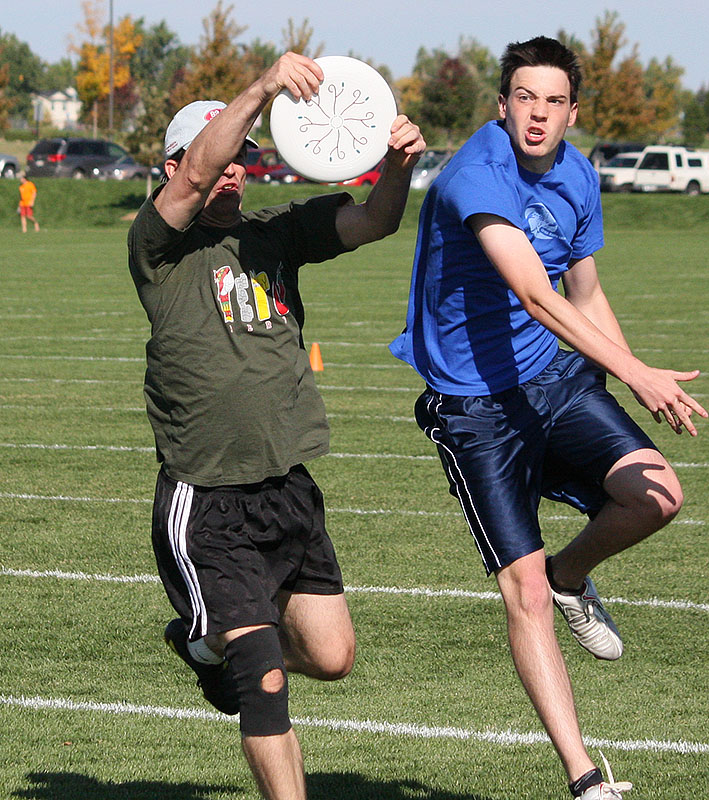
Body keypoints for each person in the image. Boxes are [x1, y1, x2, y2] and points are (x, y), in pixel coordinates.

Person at [390, 36, 708, 800]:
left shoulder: (578, 174)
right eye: (524, 98)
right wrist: (636, 371)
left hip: (555, 380)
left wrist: (634, 382)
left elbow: (585, 292)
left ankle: (575, 575)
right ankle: (586, 780)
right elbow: (535, 292)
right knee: (520, 589)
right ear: (503, 106)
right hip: (476, 408)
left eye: (554, 101)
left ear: (572, 111)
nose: (538, 114)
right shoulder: (475, 173)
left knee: (658, 493)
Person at [127, 52, 424, 800]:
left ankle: (205, 646)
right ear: (173, 164)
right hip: (209, 501)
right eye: (220, 157)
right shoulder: (159, 246)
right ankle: (235, 654)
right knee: (263, 682)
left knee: (331, 658)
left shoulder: (279, 233)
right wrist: (260, 87)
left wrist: (398, 164)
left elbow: (376, 219)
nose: (230, 173)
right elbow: (195, 178)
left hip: (288, 488)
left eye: (242, 163)